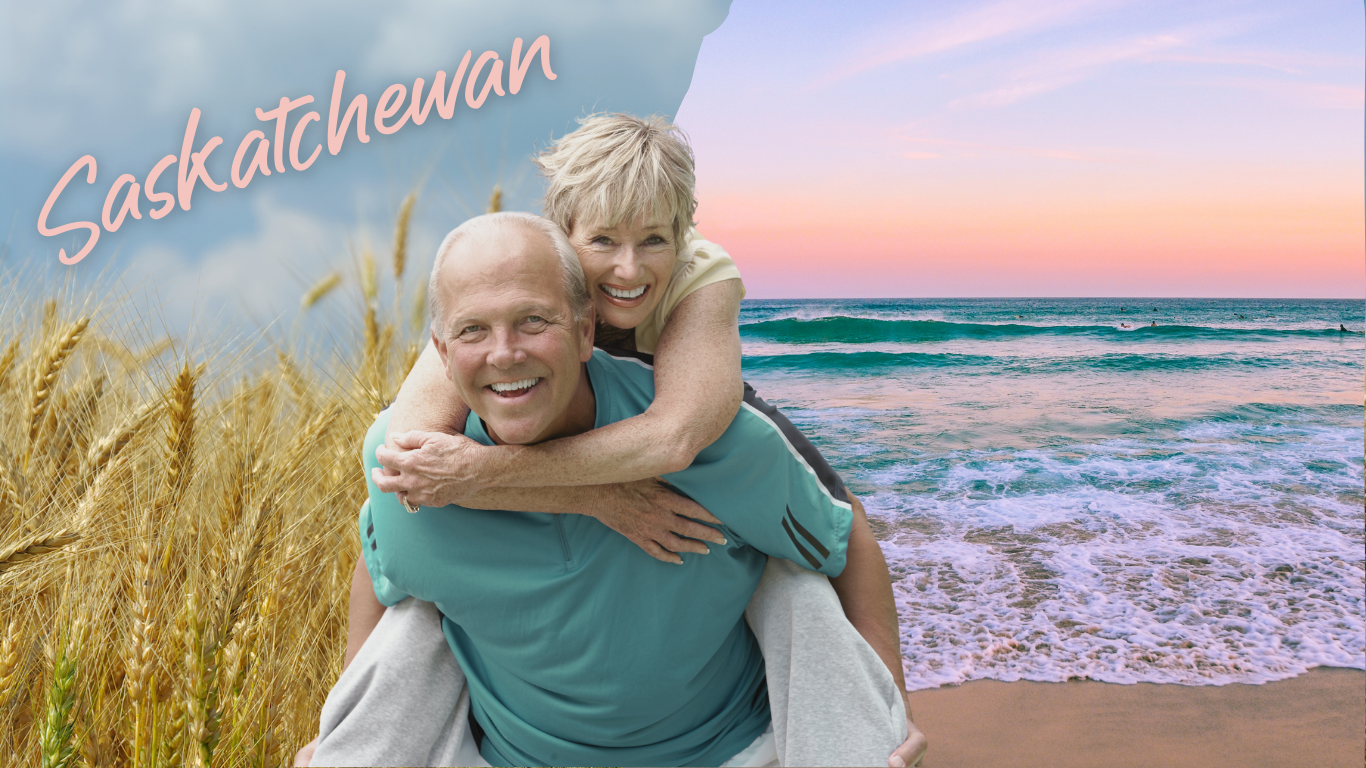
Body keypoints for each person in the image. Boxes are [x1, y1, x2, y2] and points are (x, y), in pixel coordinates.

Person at [304, 213, 925, 766]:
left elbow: (839, 541)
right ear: (441, 351)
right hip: (507, 755)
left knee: (797, 586)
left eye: (533, 321)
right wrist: (343, 727)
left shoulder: (719, 439)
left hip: (734, 750)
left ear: (585, 331)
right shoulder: (413, 466)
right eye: (472, 331)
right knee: (414, 622)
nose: (505, 353)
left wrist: (889, 707)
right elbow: (385, 572)